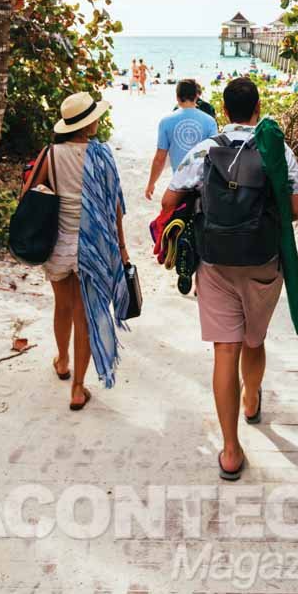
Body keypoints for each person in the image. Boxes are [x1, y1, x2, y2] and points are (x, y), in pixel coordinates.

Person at [161, 77, 298, 479]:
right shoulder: (276, 149)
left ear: (223, 112)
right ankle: (250, 400)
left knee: (225, 350)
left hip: (215, 261)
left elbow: (169, 199)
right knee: (253, 340)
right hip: (263, 261)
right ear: (257, 107)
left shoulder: (205, 149)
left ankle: (229, 449)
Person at [38, 91, 130, 410]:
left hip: (59, 245)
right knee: (85, 315)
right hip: (93, 247)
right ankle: (78, 388)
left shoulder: (50, 154)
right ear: (90, 124)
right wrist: (121, 246)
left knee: (62, 306)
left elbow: (31, 195)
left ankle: (62, 361)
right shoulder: (102, 155)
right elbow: (115, 204)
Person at [145, 77, 216, 202]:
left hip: (178, 184)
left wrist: (151, 183)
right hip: (204, 183)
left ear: (177, 97)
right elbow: (215, 154)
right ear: (196, 96)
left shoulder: (166, 121)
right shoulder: (210, 121)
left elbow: (159, 158)